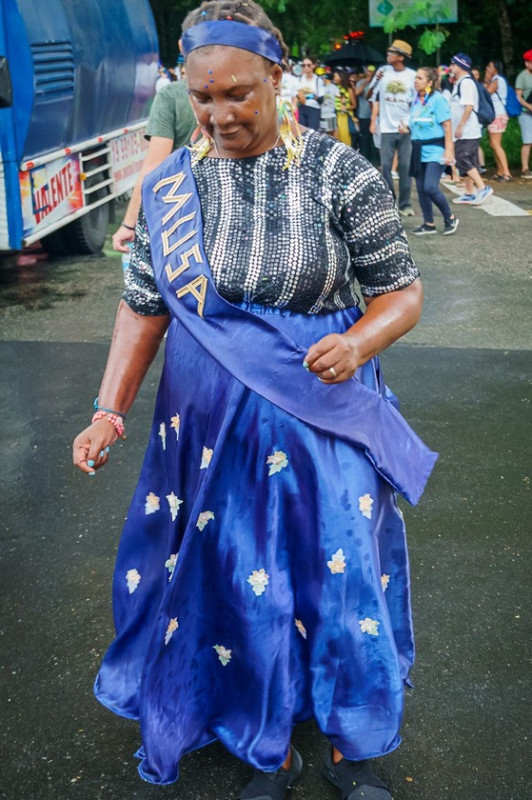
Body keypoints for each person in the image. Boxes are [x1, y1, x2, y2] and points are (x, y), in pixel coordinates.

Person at [72, 2, 437, 799]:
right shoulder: (171, 186)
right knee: (239, 581)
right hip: (206, 428)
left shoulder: (342, 172)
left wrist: (361, 343)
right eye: (202, 98)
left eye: (238, 93)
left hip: (322, 414)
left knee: (339, 579)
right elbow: (143, 306)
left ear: (278, 78)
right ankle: (262, 739)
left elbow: (402, 292)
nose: (218, 114)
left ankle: (352, 741)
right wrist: (108, 411)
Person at [111, 80, 196, 253]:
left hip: (182, 212)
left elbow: (155, 166)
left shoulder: (172, 95)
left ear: (181, 50)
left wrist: (129, 224)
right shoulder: (255, 86)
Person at [406, 67, 459, 235]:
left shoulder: (437, 99)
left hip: (435, 149)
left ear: (430, 82)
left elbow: (447, 125)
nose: (416, 81)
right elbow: (417, 122)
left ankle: (450, 217)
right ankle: (428, 223)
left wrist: (449, 151)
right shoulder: (416, 100)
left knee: (430, 186)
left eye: (420, 78)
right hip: (418, 149)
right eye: (415, 77)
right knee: (421, 188)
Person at [369, 40, 416, 216]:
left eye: (392, 52)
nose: (388, 54)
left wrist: (410, 122)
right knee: (386, 166)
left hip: (406, 128)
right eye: (388, 51)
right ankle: (390, 200)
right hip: (386, 127)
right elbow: (372, 95)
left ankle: (405, 204)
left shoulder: (412, 76)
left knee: (405, 165)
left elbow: (418, 101)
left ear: (401, 57)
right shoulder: (382, 72)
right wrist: (374, 121)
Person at [449, 53, 494, 206]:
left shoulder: (466, 83)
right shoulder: (460, 82)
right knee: (469, 161)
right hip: (463, 130)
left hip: (467, 130)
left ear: (460, 66)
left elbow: (469, 107)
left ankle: (482, 187)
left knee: (463, 158)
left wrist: (460, 126)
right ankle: (469, 193)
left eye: (453, 64)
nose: (451, 67)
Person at [484, 60, 512, 181]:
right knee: (493, 144)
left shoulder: (497, 80)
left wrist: (486, 79)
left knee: (496, 144)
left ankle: (506, 172)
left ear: (495, 69)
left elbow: (486, 92)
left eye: (489, 66)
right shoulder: (495, 80)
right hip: (495, 115)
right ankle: (500, 171)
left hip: (498, 115)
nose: (487, 68)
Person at [515, 48, 532, 178]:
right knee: (528, 141)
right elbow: (518, 97)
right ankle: (525, 168)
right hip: (526, 113)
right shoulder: (522, 77)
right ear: (527, 63)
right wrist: (529, 107)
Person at [353, 67, 376, 162]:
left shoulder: (377, 82)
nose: (370, 72)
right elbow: (356, 93)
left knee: (374, 140)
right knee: (364, 139)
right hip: (363, 115)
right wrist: (367, 80)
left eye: (372, 70)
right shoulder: (362, 82)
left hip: (375, 115)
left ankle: (374, 159)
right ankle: (364, 160)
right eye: (368, 70)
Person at [296, 56, 324, 130]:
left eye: (308, 65)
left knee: (312, 132)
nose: (306, 67)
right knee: (301, 132)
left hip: (314, 109)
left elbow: (321, 100)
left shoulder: (318, 80)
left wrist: (312, 96)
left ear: (313, 66)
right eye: (303, 65)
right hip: (301, 107)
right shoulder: (300, 79)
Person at [333, 69, 356, 146]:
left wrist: (346, 107)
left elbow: (354, 105)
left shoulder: (348, 89)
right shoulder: (334, 88)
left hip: (345, 117)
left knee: (345, 138)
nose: (334, 78)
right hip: (335, 116)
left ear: (341, 77)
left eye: (335, 76)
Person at [471, 68, 487, 174]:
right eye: (473, 74)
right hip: (476, 119)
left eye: (476, 74)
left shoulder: (478, 87)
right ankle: (479, 165)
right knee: (476, 144)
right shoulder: (478, 86)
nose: (474, 76)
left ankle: (479, 165)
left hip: (477, 119)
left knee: (475, 144)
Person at [320, 73, 339, 137]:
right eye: (322, 78)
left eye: (325, 78)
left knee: (333, 131)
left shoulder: (334, 87)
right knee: (324, 133)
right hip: (322, 114)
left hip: (331, 114)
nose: (323, 79)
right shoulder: (320, 87)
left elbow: (340, 97)